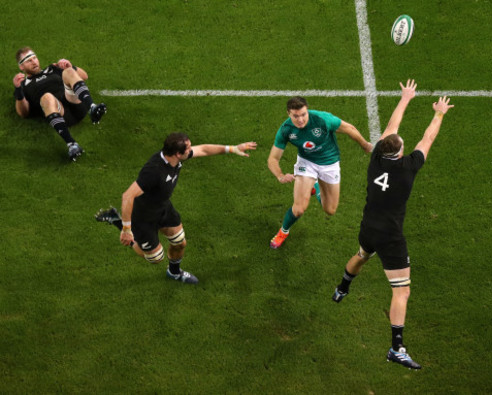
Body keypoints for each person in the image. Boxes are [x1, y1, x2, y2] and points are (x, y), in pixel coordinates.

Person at [331, 80, 454, 370]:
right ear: (398, 153)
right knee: (402, 291)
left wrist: (405, 99)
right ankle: (396, 348)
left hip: (368, 227)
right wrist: (439, 113)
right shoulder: (407, 168)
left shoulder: (376, 158)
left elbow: (391, 128)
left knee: (363, 254)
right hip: (390, 237)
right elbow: (428, 138)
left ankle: (342, 287)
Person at [95, 132, 257, 284]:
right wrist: (126, 229)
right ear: (178, 154)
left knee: (180, 242)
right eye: (188, 148)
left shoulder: (175, 158)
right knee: (155, 258)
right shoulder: (153, 171)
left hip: (163, 208)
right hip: (143, 218)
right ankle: (118, 221)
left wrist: (233, 148)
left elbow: (203, 150)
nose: (191, 150)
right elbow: (127, 196)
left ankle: (174, 272)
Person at [267, 96, 373, 249]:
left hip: (330, 164)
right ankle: (283, 231)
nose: (300, 119)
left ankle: (315, 186)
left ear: (307, 111)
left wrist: (365, 144)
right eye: (295, 116)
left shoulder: (323, 119)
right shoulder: (286, 130)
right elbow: (273, 158)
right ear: (288, 114)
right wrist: (280, 175)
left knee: (330, 210)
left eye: (303, 114)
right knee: (299, 209)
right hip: (307, 163)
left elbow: (349, 128)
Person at [12, 47, 107, 161]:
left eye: (34, 58)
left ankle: (92, 108)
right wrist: (18, 90)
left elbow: (84, 76)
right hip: (61, 114)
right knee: (47, 97)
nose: (34, 62)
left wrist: (70, 67)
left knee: (68, 72)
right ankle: (72, 144)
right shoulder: (23, 85)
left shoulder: (52, 68)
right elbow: (23, 113)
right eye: (29, 60)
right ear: (21, 67)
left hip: (75, 103)